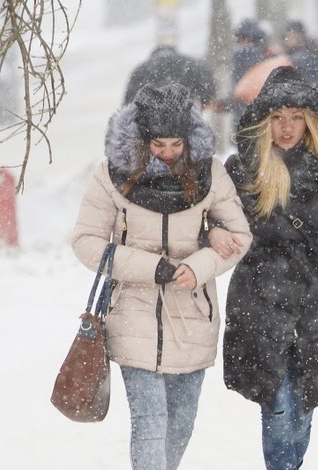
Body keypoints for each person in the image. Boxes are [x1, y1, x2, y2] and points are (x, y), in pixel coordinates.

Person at [70, 83, 252, 470]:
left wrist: (199, 266)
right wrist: (152, 268)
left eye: (176, 144)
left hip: (193, 315)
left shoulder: (211, 174)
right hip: (132, 313)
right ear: (140, 140)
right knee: (150, 423)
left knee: (180, 426)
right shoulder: (110, 176)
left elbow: (240, 237)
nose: (168, 154)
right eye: (157, 145)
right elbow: (86, 242)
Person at [220, 66, 318, 470]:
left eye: (296, 117)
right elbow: (215, 228)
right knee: (279, 405)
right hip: (259, 300)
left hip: (314, 302)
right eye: (277, 118)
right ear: (263, 121)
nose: (286, 127)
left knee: (302, 408)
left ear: (310, 120)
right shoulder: (242, 170)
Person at [122, 45, 217, 107]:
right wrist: (206, 100)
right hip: (184, 115)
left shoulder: (141, 69)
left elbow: (128, 104)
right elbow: (208, 85)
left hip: (152, 121)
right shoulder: (191, 64)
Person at [281, 20, 318, 101]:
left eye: (292, 36)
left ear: (299, 36)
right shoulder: (292, 54)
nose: (288, 39)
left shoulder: (305, 56)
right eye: (287, 36)